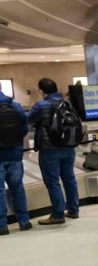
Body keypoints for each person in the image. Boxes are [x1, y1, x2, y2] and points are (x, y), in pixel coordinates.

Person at [27, 78, 80, 225]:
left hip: (49, 149)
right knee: (69, 178)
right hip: (69, 147)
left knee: (52, 182)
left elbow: (29, 121)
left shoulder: (41, 105)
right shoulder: (67, 103)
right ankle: (73, 210)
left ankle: (57, 214)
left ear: (42, 91)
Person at [0, 88, 32, 235]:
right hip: (15, 153)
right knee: (17, 188)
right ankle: (24, 222)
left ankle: (2, 226)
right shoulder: (15, 106)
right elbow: (24, 128)